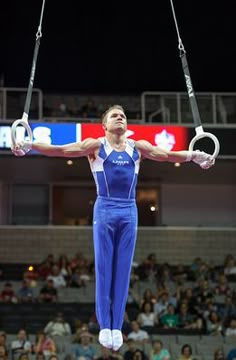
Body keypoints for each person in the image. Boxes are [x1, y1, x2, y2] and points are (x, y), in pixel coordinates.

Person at [11, 104, 215, 351]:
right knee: (104, 266)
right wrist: (28, 146)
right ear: (105, 125)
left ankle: (116, 327)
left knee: (123, 269)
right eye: (114, 116)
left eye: (123, 116)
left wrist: (195, 156)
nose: (120, 118)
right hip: (105, 209)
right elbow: (61, 150)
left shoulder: (138, 148)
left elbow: (168, 155)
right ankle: (104, 324)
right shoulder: (95, 147)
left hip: (129, 211)